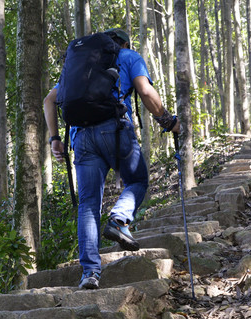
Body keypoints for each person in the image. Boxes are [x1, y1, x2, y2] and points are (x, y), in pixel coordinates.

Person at [44, 27, 180, 290]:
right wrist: (168, 120)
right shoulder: (128, 56)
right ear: (124, 42)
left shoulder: (83, 65)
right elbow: (145, 91)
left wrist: (54, 139)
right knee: (137, 180)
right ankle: (119, 219)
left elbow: (49, 100)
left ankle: (90, 274)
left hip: (80, 137)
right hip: (114, 130)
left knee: (88, 204)